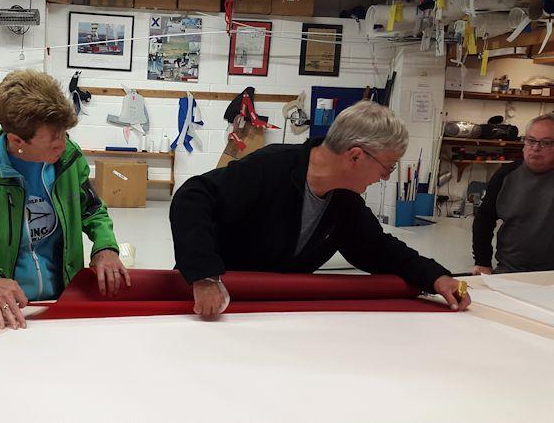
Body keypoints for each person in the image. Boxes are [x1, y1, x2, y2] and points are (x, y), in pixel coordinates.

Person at [170, 101, 471, 317]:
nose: (384, 178)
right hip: (217, 304)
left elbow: (378, 248)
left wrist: (435, 276)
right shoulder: (271, 167)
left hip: (275, 312)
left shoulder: (344, 202)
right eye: (387, 167)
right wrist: (205, 275)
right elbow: (192, 198)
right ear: (355, 156)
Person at [0, 69, 130, 330]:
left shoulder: (68, 158)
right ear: (17, 141)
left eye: (64, 133)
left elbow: (92, 210)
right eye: (53, 139)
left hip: (60, 306)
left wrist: (105, 247)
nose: (63, 144)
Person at [472, 113, 554, 274]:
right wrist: (482, 262)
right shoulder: (506, 174)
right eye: (531, 140)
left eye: (546, 143)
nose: (536, 148)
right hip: (509, 271)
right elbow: (484, 219)